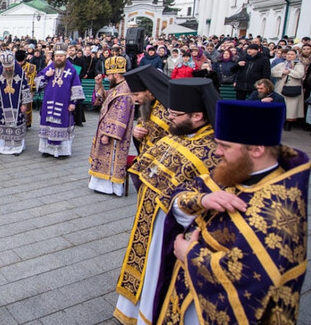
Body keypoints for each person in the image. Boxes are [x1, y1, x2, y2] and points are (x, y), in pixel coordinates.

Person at [158, 100, 309, 324]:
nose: (217, 152)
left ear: (257, 149)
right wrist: (204, 199)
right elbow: (179, 194)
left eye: (225, 146)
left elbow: (255, 281)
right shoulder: (235, 169)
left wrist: (190, 254)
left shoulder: (281, 210)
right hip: (188, 295)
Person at [114, 78, 222, 325]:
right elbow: (142, 166)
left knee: (160, 276)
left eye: (175, 114)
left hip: (173, 232)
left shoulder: (213, 149)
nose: (169, 118)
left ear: (197, 115)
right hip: (148, 221)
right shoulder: (177, 134)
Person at [88, 56, 134, 196]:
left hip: (113, 135)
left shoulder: (124, 91)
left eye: (109, 75)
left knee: (112, 158)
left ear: (116, 74)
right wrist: (99, 85)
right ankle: (101, 185)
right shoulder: (118, 87)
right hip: (105, 130)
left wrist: (108, 134)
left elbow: (119, 116)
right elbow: (104, 98)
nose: (107, 78)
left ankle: (109, 187)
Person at [35, 43, 84, 157]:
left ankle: (61, 152)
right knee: (47, 124)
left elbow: (76, 86)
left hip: (64, 103)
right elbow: (38, 82)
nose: (58, 58)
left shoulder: (71, 70)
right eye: (56, 56)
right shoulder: (50, 67)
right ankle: (47, 150)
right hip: (48, 102)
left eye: (61, 56)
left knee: (62, 124)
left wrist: (73, 103)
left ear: (65, 56)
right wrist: (46, 75)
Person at [123, 65, 171, 158]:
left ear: (149, 91)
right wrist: (136, 133)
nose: (134, 99)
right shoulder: (146, 105)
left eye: (136, 94)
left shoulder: (169, 109)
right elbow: (142, 127)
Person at [271, 48, 304, 130]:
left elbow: (300, 75)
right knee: (281, 104)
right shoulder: (281, 64)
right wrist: (281, 72)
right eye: (288, 54)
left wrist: (290, 71)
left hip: (293, 87)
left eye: (292, 54)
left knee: (291, 107)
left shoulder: (299, 65)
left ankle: (288, 124)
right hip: (281, 87)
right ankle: (280, 122)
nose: (289, 56)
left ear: (296, 55)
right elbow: (272, 72)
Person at [17, 49, 37, 128]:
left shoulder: (31, 67)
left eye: (21, 61)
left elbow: (35, 79)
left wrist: (33, 91)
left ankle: (27, 123)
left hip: (28, 90)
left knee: (27, 106)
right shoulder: (13, 66)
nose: (20, 63)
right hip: (16, 91)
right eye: (18, 62)